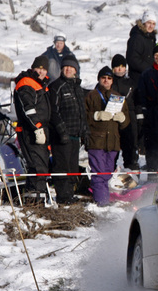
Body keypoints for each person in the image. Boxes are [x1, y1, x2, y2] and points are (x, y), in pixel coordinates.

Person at [85, 66, 130, 206]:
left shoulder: (117, 97)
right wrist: (96, 115)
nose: (106, 80)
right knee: (99, 175)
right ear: (99, 79)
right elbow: (83, 118)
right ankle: (102, 203)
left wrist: (122, 119)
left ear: (112, 81)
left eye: (109, 78)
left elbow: (126, 122)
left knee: (107, 174)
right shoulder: (91, 96)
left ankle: (103, 200)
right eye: (103, 78)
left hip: (113, 142)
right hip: (96, 141)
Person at [48, 54, 86, 204]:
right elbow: (54, 112)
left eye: (71, 67)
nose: (69, 70)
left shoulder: (77, 88)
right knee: (62, 166)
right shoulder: (56, 86)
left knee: (72, 166)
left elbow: (82, 112)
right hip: (61, 136)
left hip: (75, 135)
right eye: (66, 67)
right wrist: (61, 131)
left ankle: (69, 194)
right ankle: (62, 196)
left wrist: (85, 131)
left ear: (76, 70)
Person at [13, 55, 52, 197]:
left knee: (41, 165)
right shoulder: (26, 82)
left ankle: (34, 195)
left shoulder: (41, 84)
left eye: (44, 69)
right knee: (38, 166)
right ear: (33, 68)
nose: (41, 72)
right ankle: (36, 199)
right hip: (31, 131)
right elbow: (27, 107)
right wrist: (37, 127)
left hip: (42, 130)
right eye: (38, 68)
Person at [137, 45, 158, 172]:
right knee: (153, 141)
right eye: (156, 55)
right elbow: (141, 93)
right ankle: (152, 168)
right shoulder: (147, 73)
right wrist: (143, 110)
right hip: (152, 111)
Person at [111, 54, 141, 171]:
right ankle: (111, 172)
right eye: (117, 67)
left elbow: (138, 100)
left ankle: (132, 172)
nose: (120, 69)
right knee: (113, 148)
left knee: (131, 148)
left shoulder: (131, 83)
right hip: (113, 119)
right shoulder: (109, 82)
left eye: (122, 66)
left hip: (130, 119)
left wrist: (139, 117)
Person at [126, 10, 157, 85]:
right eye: (149, 23)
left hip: (148, 77)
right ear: (143, 23)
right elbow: (132, 59)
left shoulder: (150, 38)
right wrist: (149, 68)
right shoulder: (137, 38)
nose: (151, 26)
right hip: (137, 79)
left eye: (153, 24)